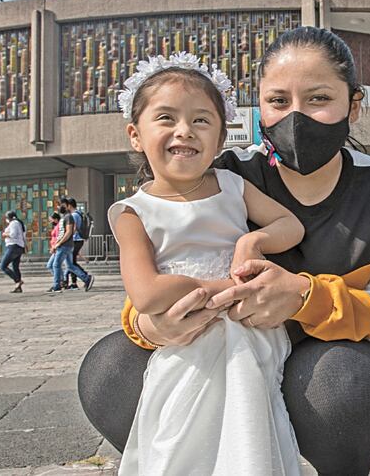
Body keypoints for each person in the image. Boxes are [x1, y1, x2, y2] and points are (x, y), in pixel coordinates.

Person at [78, 27, 370, 476]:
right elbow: (160, 257)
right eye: (278, 101)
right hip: (223, 348)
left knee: (343, 385)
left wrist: (304, 297)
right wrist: (150, 325)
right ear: (258, 107)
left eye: (319, 98)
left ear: (353, 105)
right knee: (109, 370)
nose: (296, 116)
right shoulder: (224, 173)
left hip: (329, 355)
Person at [109, 52, 306, 475]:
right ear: (135, 135)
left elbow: (290, 225)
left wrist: (253, 239)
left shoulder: (232, 186)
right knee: (181, 430)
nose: (184, 130)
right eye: (166, 118)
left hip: (248, 327)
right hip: (187, 334)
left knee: (250, 412)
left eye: (201, 120)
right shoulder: (133, 213)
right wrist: (227, 289)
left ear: (219, 141)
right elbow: (147, 294)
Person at [49, 197, 95, 293]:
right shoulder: (66, 217)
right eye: (59, 205)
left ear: (67, 206)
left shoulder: (70, 216)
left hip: (66, 244)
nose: (59, 207)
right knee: (70, 265)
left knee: (56, 265)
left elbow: (69, 231)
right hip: (67, 244)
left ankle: (58, 285)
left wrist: (58, 243)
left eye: (61, 205)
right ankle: (86, 278)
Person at [65, 197, 90, 289]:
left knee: (71, 263)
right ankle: (74, 282)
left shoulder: (74, 215)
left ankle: (85, 276)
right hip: (78, 240)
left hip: (75, 240)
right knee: (72, 262)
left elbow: (74, 228)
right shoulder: (79, 213)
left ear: (69, 205)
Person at [0, 211, 25, 293]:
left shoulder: (14, 223)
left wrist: (5, 234)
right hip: (19, 246)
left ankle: (18, 280)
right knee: (15, 266)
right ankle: (18, 287)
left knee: (3, 266)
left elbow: (13, 234)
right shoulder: (19, 223)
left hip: (13, 246)